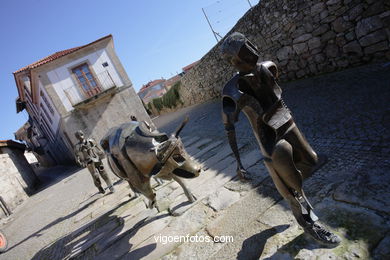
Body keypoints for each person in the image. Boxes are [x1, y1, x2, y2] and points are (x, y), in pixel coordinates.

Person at [220, 32, 341, 245]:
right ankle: (307, 220)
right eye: (244, 51)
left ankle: (289, 189)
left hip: (288, 124)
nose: (249, 52)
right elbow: (229, 126)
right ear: (235, 59)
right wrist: (239, 164)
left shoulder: (269, 67)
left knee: (310, 160)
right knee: (292, 182)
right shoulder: (233, 89)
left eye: (248, 47)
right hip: (270, 139)